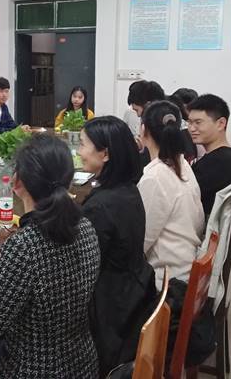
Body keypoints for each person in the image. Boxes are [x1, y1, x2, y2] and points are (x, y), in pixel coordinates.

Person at [0, 134, 100, 378]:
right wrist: (7, 266)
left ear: (16, 183)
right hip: (82, 365)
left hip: (34, 371)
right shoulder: (85, 226)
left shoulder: (25, 244)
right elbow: (53, 277)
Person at [78, 116, 156, 376]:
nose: (79, 152)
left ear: (105, 154)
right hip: (130, 296)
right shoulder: (127, 190)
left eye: (83, 145)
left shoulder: (100, 207)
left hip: (107, 312)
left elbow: (79, 269)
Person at [138, 100, 204, 289]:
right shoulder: (182, 164)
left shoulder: (154, 177)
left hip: (166, 281)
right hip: (187, 265)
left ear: (143, 130)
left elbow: (141, 242)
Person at [187, 94, 231, 217]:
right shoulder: (225, 155)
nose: (191, 128)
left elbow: (183, 195)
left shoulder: (221, 162)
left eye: (198, 122)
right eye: (189, 122)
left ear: (221, 124)